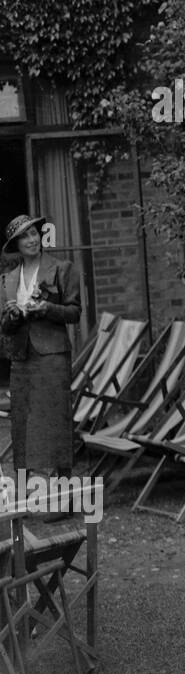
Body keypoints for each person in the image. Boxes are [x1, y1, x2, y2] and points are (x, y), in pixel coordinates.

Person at [1, 214, 81, 522]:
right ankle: (27, 501)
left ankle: (60, 503)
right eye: (25, 237)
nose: (32, 240)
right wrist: (11, 317)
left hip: (52, 357)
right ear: (17, 245)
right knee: (22, 425)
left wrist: (47, 308)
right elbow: (5, 329)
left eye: (34, 234)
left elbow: (74, 313)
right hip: (22, 358)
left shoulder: (61, 269)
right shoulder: (8, 279)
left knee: (54, 424)